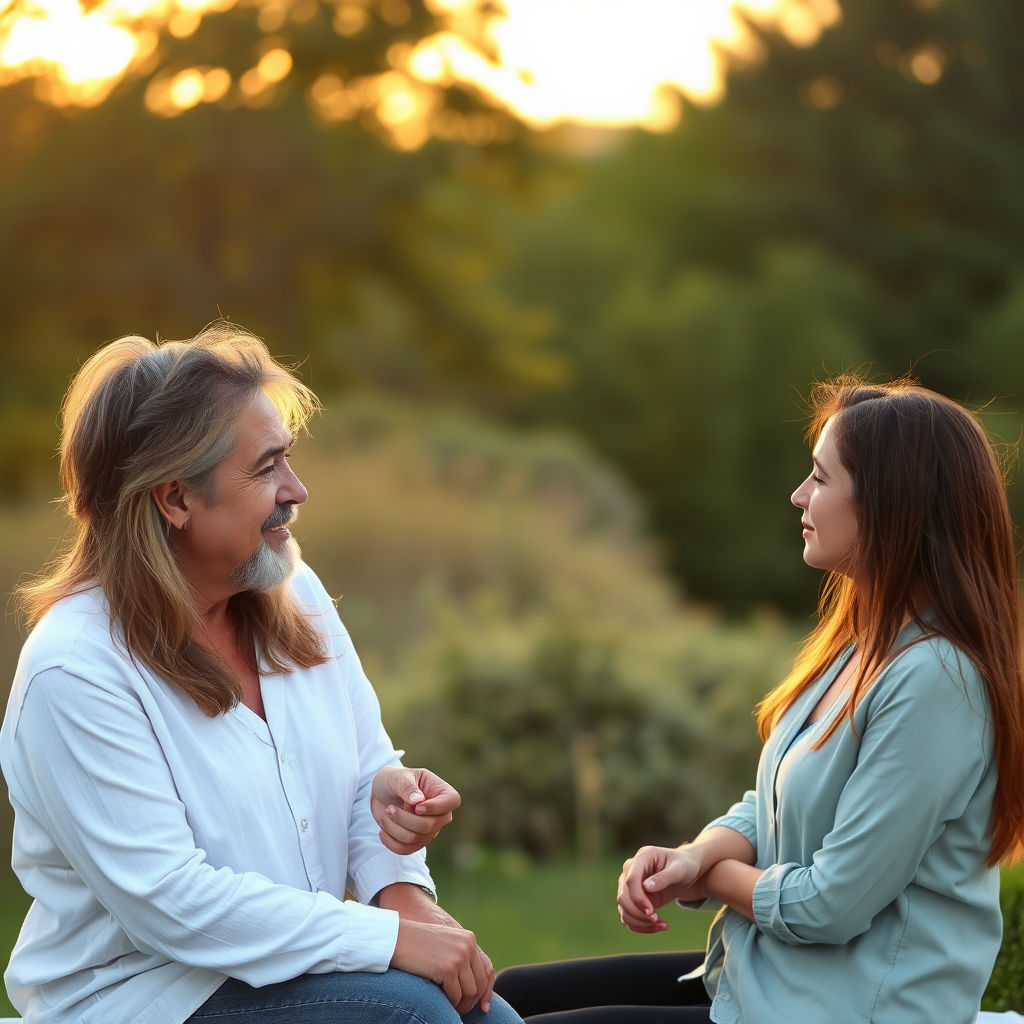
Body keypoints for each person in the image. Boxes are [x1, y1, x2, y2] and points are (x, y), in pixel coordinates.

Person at [0, 323, 524, 1024]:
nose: (296, 489)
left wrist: (403, 891)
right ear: (175, 499)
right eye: (266, 468)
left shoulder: (294, 589)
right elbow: (173, 903)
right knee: (410, 1015)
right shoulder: (74, 670)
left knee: (479, 1012)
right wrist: (388, 940)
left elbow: (365, 773)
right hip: (147, 997)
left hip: (286, 972)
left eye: (289, 459)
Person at [494, 374, 1024, 1023]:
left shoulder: (936, 680)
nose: (799, 495)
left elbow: (828, 906)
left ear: (893, 505)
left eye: (821, 478)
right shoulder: (861, 647)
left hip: (848, 1008)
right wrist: (692, 854)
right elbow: (775, 806)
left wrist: (709, 878)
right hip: (779, 976)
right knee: (514, 993)